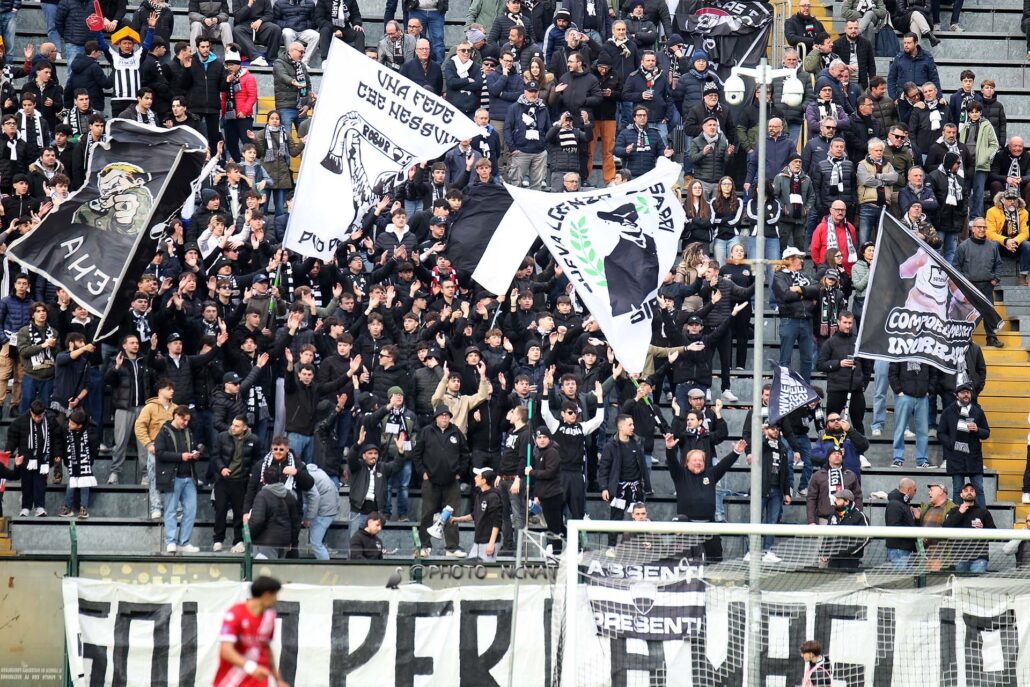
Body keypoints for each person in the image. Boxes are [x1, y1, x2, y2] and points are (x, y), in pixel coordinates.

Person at [662, 438, 746, 562]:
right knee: (685, 562)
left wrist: (736, 452)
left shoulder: (711, 474)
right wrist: (669, 449)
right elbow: (672, 462)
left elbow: (724, 465)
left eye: (700, 460)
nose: (698, 462)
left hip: (709, 526)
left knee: (715, 559)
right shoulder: (680, 475)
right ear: (687, 462)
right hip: (687, 528)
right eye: (695, 460)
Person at [412, 405, 470, 558]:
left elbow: (465, 454)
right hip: (430, 480)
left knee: (452, 514)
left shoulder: (456, 432)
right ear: (436, 417)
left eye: (447, 415)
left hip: (452, 482)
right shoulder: (426, 431)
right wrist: (422, 472)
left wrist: (460, 473)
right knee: (427, 513)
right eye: (441, 415)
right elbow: (416, 454)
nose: (444, 418)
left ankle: (452, 547)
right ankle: (424, 546)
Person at [215, 576, 289, 687]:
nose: (276, 600)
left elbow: (266, 648)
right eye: (275, 595)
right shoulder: (235, 614)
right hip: (232, 681)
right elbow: (226, 650)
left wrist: (278, 680)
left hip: (258, 681)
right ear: (266, 595)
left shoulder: (269, 617)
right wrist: (251, 668)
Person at [154, 406, 201, 554]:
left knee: (191, 511)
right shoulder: (164, 432)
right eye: (183, 419)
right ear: (175, 415)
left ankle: (183, 542)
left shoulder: (188, 431)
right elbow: (160, 454)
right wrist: (181, 456)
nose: (185, 423)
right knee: (171, 510)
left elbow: (193, 447)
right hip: (173, 477)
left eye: (187, 420)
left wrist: (195, 453)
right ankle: (171, 541)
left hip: (189, 476)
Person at [211, 414, 262, 553]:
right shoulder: (222, 437)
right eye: (233, 424)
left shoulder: (254, 440)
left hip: (241, 481)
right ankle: (218, 540)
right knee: (220, 510)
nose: (233, 428)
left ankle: (238, 540)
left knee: (239, 512)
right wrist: (222, 468)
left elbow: (257, 459)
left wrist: (252, 472)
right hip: (223, 480)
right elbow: (215, 456)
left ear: (245, 427)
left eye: (237, 426)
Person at [598, 414, 651, 544]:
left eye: (633, 424)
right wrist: (604, 487)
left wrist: (647, 485)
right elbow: (604, 468)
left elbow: (643, 466)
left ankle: (643, 544)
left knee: (640, 518)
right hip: (619, 488)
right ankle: (611, 547)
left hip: (636, 487)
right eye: (630, 425)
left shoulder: (637, 442)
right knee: (616, 520)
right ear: (621, 427)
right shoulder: (610, 445)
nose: (633, 427)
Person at [938, 382, 990, 507]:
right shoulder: (948, 412)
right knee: (957, 489)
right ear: (957, 395)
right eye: (962, 393)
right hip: (956, 457)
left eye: (968, 392)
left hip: (974, 456)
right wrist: (952, 444)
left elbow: (986, 433)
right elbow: (940, 433)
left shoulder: (978, 411)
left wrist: (977, 429)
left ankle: (982, 515)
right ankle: (957, 516)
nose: (966, 395)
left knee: (979, 489)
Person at [773, 246, 819, 383]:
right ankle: (784, 387)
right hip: (789, 320)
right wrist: (806, 295)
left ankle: (806, 387)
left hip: (806, 320)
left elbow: (817, 288)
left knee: (807, 359)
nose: (802, 260)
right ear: (790, 260)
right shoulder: (779, 276)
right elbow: (786, 295)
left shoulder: (805, 275)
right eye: (799, 258)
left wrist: (799, 289)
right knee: (785, 358)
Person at [8, 400, 61, 517]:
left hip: (43, 460)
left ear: (44, 412)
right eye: (35, 416)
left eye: (40, 416)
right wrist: (9, 449)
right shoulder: (21, 421)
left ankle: (40, 506)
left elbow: (57, 439)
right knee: (26, 484)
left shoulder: (51, 421)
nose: (37, 419)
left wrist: (57, 453)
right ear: (31, 412)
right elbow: (13, 437)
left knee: (40, 484)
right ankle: (25, 507)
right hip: (26, 459)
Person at [816, 312, 866, 433]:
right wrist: (839, 363)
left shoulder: (858, 341)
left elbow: (867, 365)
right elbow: (820, 365)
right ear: (838, 322)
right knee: (832, 424)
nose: (848, 326)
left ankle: (860, 446)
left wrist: (863, 382)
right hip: (836, 389)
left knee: (858, 424)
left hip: (856, 389)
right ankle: (829, 445)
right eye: (845, 322)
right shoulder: (830, 342)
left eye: (850, 323)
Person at [248, 463, 302, 559]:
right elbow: (295, 522)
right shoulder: (289, 495)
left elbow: (257, 520)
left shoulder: (262, 495)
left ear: (263, 480)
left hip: (264, 542)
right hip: (284, 541)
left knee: (265, 568)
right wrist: (292, 541)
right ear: (280, 478)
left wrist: (248, 535)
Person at [525, 425, 563, 552]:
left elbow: (549, 472)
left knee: (554, 526)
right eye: (539, 437)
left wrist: (532, 472)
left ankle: (556, 551)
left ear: (549, 438)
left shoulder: (552, 452)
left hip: (553, 495)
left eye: (544, 437)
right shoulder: (539, 452)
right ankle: (558, 549)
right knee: (553, 525)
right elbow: (540, 480)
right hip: (545, 495)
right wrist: (537, 495)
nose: (541, 440)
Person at [943, 481, 995, 572]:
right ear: (961, 494)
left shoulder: (984, 512)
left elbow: (994, 533)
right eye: (966, 490)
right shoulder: (954, 511)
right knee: (961, 581)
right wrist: (960, 513)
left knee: (976, 580)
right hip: (960, 557)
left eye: (972, 490)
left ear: (975, 494)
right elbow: (945, 528)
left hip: (979, 557)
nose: (969, 492)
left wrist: (983, 529)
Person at [451, 466, 502, 561]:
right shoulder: (479, 495)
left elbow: (497, 522)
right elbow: (474, 515)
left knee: (486, 569)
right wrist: (457, 519)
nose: (475, 478)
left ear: (484, 480)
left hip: (488, 542)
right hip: (478, 541)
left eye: (478, 476)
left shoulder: (493, 497)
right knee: (470, 567)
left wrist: (491, 543)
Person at [889, 359, 933, 467]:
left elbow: (934, 372)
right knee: (900, 428)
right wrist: (898, 390)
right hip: (905, 396)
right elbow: (892, 372)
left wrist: (929, 390)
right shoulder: (901, 351)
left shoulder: (927, 351)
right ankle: (897, 458)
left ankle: (922, 460)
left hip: (922, 397)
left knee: (923, 431)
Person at [806, 447, 862, 525]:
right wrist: (811, 521)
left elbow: (857, 496)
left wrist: (858, 516)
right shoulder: (818, 475)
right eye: (834, 453)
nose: (837, 455)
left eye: (839, 454)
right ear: (828, 457)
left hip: (848, 519)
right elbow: (811, 498)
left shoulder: (851, 475)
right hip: (824, 519)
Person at [985, 188, 1030, 285]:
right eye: (1009, 199)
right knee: (993, 244)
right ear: (1003, 200)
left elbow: (1025, 233)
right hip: (1000, 244)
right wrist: (1006, 241)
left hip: (1015, 244)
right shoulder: (992, 211)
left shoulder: (1024, 212)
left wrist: (1014, 241)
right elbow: (989, 233)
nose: (1012, 202)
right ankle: (994, 276)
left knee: (1027, 245)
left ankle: (1023, 276)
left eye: (1014, 199)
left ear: (1018, 200)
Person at [818, 488, 869, 568]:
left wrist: (851, 552)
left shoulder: (860, 516)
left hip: (851, 560)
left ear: (847, 501)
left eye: (838, 499)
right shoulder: (833, 516)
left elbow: (866, 537)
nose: (835, 501)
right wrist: (824, 551)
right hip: (833, 559)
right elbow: (827, 536)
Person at [302, 461, 338, 560]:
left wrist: (308, 518)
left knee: (316, 543)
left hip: (324, 512)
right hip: (330, 509)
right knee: (317, 542)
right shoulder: (319, 471)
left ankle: (326, 567)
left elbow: (313, 498)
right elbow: (335, 488)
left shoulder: (306, 477)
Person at [231, 0, 282, 67]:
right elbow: (237, 17)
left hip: (261, 23)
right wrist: (249, 5)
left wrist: (261, 20)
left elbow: (269, 15)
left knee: (275, 29)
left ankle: (271, 58)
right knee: (237, 30)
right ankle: (256, 57)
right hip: (244, 24)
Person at [920, 482, 957, 571]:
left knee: (938, 579)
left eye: (931, 490)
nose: (929, 493)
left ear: (941, 492)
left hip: (940, 557)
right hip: (925, 556)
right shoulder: (927, 508)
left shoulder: (953, 509)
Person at [884, 477, 919, 569]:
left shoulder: (902, 504)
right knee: (902, 577)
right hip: (899, 550)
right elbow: (895, 527)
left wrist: (916, 519)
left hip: (903, 549)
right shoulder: (895, 504)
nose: (915, 493)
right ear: (909, 490)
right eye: (915, 490)